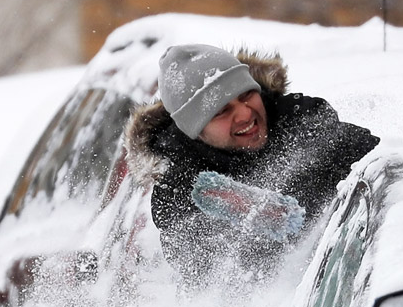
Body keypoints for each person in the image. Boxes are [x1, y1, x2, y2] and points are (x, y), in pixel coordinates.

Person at [126, 44, 379, 284]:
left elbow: (382, 168)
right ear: (195, 131)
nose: (245, 114)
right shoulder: (181, 186)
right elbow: (208, 279)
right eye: (221, 111)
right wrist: (252, 220)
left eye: (246, 95)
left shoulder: (303, 123)